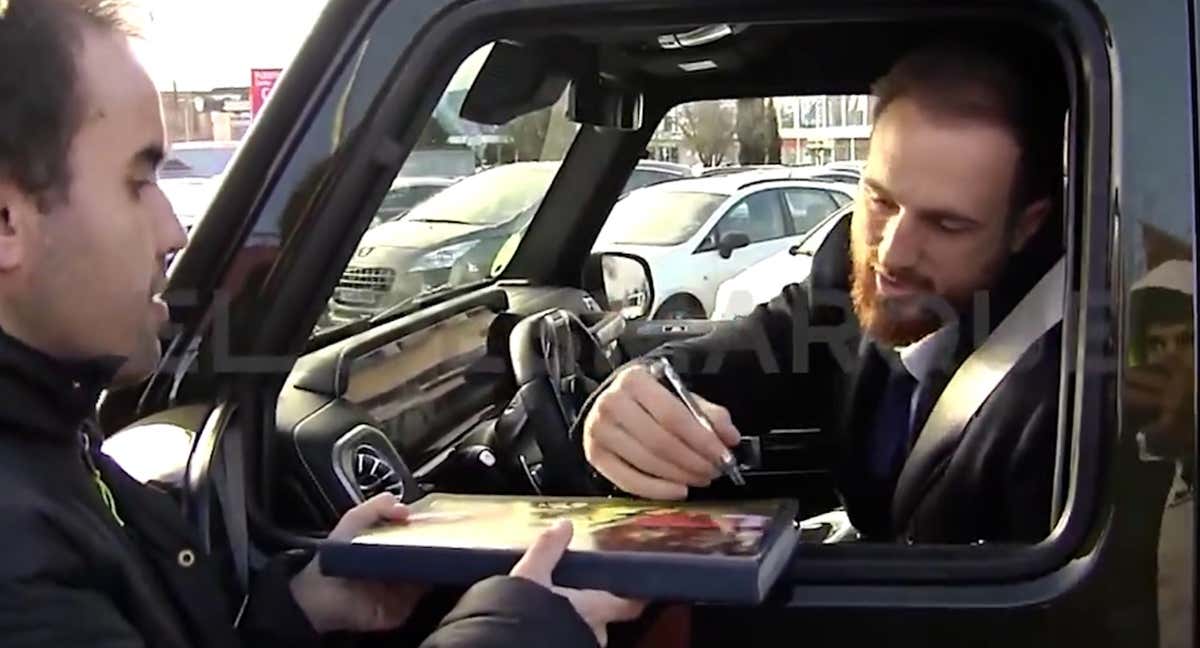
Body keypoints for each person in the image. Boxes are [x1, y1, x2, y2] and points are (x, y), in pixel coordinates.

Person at [0, 1, 642, 646]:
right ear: (6, 220)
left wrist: (306, 606)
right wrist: (524, 625)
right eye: (138, 181)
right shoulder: (19, 555)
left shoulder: (57, 442)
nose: (172, 230)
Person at [579, 41, 1068, 544]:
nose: (893, 253)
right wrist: (636, 399)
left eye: (947, 225)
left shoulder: (1060, 391)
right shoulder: (846, 265)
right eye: (880, 200)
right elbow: (746, 351)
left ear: (1024, 228)